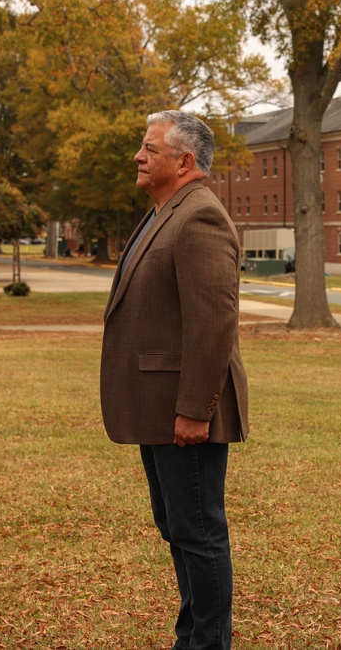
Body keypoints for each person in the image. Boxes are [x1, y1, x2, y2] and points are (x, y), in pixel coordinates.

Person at [100, 110, 249, 650]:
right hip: (159, 410)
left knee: (199, 532)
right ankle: (193, 637)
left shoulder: (200, 218)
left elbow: (213, 323)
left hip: (184, 413)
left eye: (149, 149)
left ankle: (207, 643)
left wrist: (194, 410)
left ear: (184, 161)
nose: (138, 157)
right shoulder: (166, 211)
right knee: (180, 529)